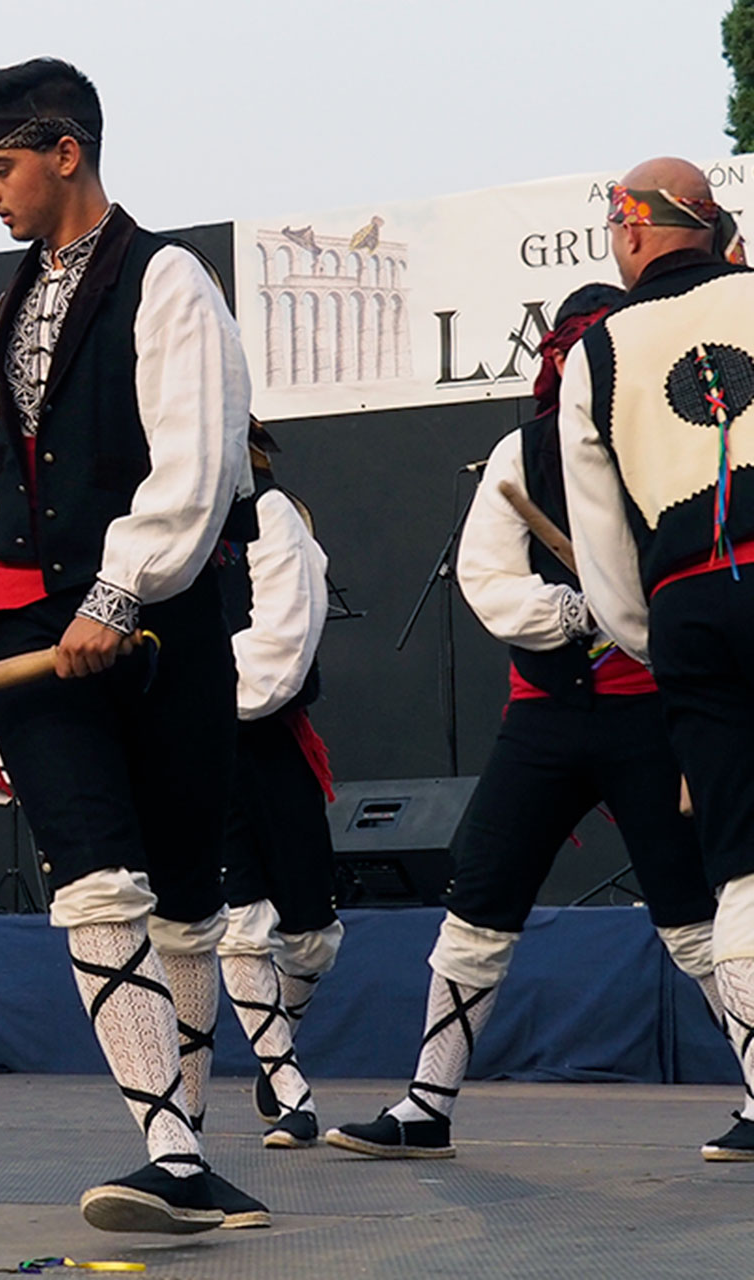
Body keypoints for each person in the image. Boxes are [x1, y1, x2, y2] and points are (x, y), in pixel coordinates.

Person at [0, 58, 259, 1233]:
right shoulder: (1, 316)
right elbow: (18, 490)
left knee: (183, 896)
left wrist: (122, 592)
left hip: (164, 623)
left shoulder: (169, 280)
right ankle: (171, 1153)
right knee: (94, 874)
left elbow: (197, 463)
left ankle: (191, 1155)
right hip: (35, 621)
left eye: (0, 167)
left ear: (66, 150)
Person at [327, 280, 728, 1158]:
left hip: (652, 713)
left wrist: (638, 609)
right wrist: (578, 611)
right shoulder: (523, 453)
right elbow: (489, 579)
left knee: (694, 915)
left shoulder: (675, 438)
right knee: (480, 902)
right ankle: (426, 1106)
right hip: (546, 716)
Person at [559, 157, 754, 1162]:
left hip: (692, 612)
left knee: (744, 868)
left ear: (631, 232)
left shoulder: (597, 353)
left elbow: (604, 561)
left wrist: (663, 641)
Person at [215, 420, 342, 1151]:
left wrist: (196, 678)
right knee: (240, 915)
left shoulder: (270, 515)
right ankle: (288, 1083)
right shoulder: (164, 528)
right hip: (202, 747)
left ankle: (277, 1043)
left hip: (266, 735)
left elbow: (281, 646)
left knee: (311, 935)